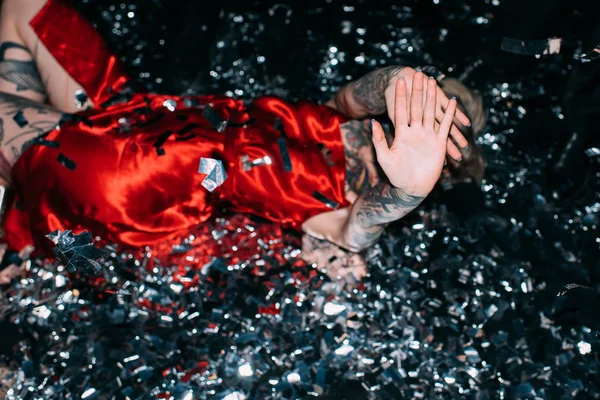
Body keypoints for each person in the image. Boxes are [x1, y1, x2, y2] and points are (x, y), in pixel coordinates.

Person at [0, 0, 485, 265]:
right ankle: (21, 197)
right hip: (147, 114)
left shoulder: (346, 198)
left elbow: (353, 233)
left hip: (145, 177)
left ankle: (29, 191)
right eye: (436, 97)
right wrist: (400, 78)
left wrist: (405, 191)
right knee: (24, 8)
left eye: (442, 117)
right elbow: (355, 95)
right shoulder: (351, 124)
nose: (432, 106)